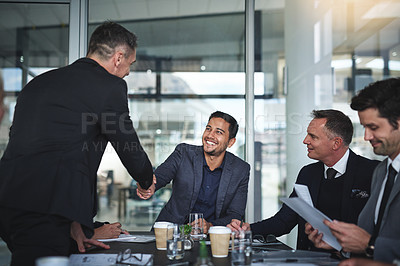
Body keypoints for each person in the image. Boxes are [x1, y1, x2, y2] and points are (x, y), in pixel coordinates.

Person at [0, 21, 154, 265]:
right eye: (129, 64)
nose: (127, 72)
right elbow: (127, 144)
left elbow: (42, 148)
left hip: (10, 199)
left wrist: (72, 222)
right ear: (118, 57)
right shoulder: (110, 86)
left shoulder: (39, 83)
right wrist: (146, 179)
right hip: (44, 209)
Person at [228, 109, 379, 251]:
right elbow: (284, 221)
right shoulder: (308, 173)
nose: (305, 141)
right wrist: (248, 229)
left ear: (336, 143)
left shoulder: (374, 173)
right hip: (309, 259)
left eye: (313, 136)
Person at [306, 78, 400, 263]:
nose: (367, 137)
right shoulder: (381, 171)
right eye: (364, 127)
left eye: (373, 127)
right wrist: (342, 246)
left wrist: (369, 245)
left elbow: (372, 243)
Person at [137, 111, 250, 233]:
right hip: (170, 232)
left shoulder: (240, 169)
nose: (210, 135)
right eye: (208, 129)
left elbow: (235, 215)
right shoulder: (183, 153)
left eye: (218, 132)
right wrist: (148, 185)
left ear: (230, 142)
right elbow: (160, 176)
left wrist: (210, 226)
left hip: (211, 238)